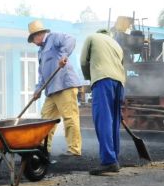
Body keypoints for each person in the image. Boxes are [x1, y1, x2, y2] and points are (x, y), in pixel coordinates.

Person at [27, 19, 84, 158]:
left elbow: (71, 39)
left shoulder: (54, 38)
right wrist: (37, 90)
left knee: (69, 118)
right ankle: (43, 149)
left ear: (39, 34)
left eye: (33, 38)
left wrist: (64, 55)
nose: (33, 42)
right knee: (46, 119)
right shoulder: (40, 52)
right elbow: (42, 75)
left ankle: (74, 150)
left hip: (64, 85)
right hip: (51, 90)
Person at [80, 29, 126, 175]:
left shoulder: (91, 37)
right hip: (119, 83)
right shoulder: (116, 45)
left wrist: (90, 77)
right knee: (114, 121)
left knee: (103, 119)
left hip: (102, 80)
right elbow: (121, 64)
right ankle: (114, 158)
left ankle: (108, 161)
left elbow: (82, 61)